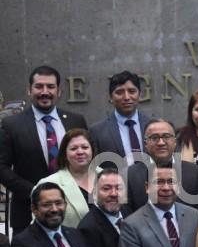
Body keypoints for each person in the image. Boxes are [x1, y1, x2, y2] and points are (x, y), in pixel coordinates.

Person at [0, 65, 87, 233]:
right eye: (39, 86)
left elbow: (86, 162)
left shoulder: (76, 121)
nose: (45, 91)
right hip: (27, 212)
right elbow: (2, 168)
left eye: (50, 87)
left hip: (74, 212)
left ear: (59, 91)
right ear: (29, 90)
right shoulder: (12, 125)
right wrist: (35, 192)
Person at [126, 118, 198, 219]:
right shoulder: (130, 175)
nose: (161, 142)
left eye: (166, 137)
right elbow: (128, 218)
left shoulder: (194, 172)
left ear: (175, 141)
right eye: (154, 138)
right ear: (146, 143)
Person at [88, 71, 153, 165]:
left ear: (139, 95)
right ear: (110, 97)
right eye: (119, 92)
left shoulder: (152, 125)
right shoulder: (97, 131)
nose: (126, 97)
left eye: (132, 91)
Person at [35, 129, 96, 227]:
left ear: (92, 150)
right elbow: (39, 227)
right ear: (65, 154)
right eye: (73, 148)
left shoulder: (108, 177)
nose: (80, 152)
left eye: (85, 147)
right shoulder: (48, 183)